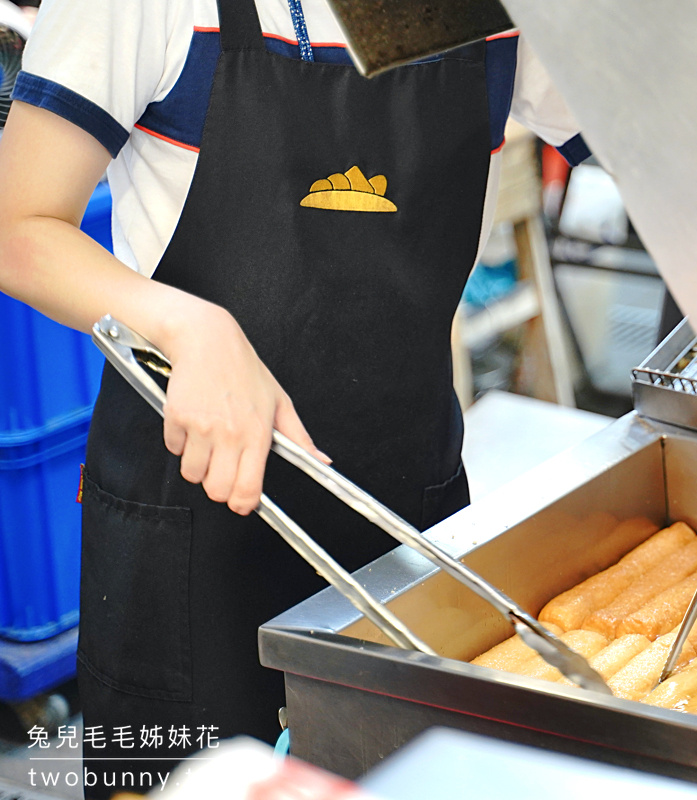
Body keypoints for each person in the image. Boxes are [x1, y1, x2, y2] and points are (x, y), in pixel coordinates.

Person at [0, 0, 590, 795]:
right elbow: (17, 225)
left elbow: (671, 160)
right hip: (188, 533)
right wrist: (189, 326)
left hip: (402, 509)